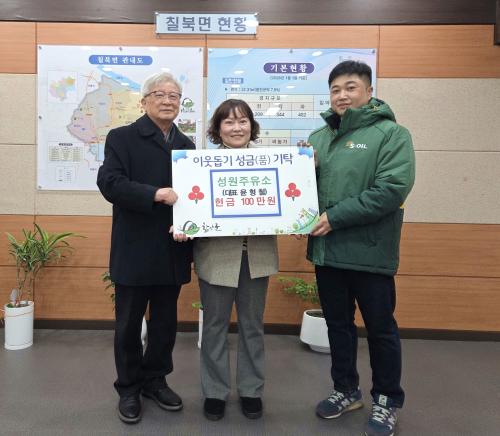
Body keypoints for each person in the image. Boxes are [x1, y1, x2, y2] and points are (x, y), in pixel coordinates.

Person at [308, 61, 415, 436]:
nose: (342, 95)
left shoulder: (391, 135)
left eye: (350, 87)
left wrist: (334, 217)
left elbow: (390, 190)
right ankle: (345, 390)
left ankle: (387, 400)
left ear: (369, 92)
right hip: (327, 252)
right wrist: (298, 212)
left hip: (370, 252)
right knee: (337, 325)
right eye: (335, 89)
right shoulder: (318, 138)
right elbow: (303, 192)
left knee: (381, 330)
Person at [97, 72, 195, 424]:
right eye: (160, 94)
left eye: (174, 95)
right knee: (128, 325)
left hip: (172, 248)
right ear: (144, 101)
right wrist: (154, 194)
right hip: (134, 248)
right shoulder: (121, 137)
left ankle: (155, 380)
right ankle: (128, 387)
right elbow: (109, 183)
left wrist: (191, 224)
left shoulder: (187, 145)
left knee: (165, 324)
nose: (168, 100)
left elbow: (194, 197)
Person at [194, 99, 279, 421]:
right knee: (214, 326)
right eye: (228, 122)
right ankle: (214, 391)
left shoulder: (272, 162)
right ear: (218, 129)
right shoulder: (201, 165)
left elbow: (288, 204)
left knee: (252, 326)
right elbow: (191, 209)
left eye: (243, 121)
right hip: (216, 256)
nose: (237, 128)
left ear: (251, 126)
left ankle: (251, 389)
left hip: (257, 255)